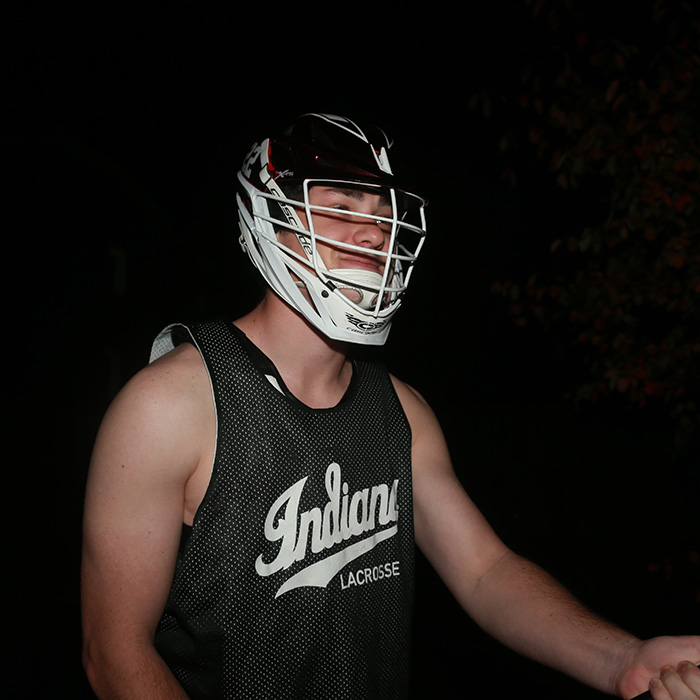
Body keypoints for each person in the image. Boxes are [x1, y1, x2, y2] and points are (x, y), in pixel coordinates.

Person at [81, 113, 700, 699]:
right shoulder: (168, 405)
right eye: (343, 207)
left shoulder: (402, 411)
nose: (374, 232)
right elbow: (113, 653)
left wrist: (623, 659)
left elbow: (485, 572)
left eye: (382, 213)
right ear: (273, 219)